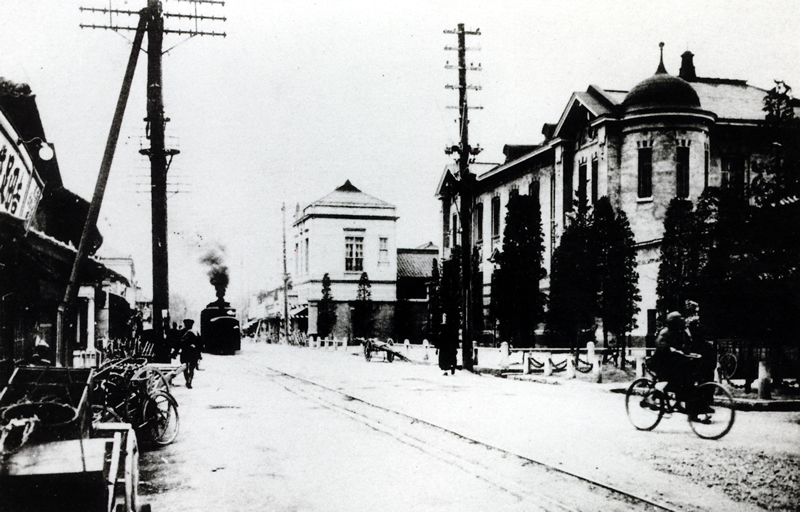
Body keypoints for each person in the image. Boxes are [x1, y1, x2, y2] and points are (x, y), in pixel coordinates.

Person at [653, 312, 709, 418]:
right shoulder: (665, 332)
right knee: (673, 381)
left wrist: (691, 354)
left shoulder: (682, 334)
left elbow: (686, 347)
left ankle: (692, 413)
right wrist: (671, 349)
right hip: (662, 363)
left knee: (688, 382)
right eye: (679, 322)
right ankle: (654, 395)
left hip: (675, 363)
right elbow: (660, 343)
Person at [172, 319, 202, 389]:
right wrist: (199, 354)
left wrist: (175, 353)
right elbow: (200, 344)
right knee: (190, 368)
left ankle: (188, 381)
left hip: (186, 353)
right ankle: (189, 381)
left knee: (186, 368)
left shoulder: (182, 332)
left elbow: (178, 343)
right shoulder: (196, 332)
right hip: (192, 353)